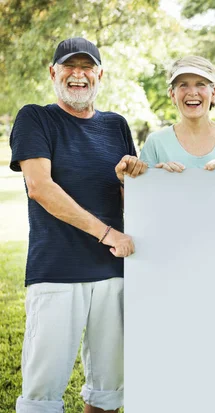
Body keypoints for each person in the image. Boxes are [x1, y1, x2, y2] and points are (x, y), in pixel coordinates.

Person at [9, 37, 146, 413]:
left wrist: (124, 181)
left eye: (87, 68)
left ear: (100, 75)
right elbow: (40, 187)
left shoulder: (116, 125)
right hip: (56, 271)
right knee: (42, 395)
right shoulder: (35, 117)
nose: (79, 75)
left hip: (112, 271)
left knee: (108, 390)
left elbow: (131, 200)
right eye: (70, 66)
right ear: (53, 72)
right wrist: (106, 233)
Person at [140, 56, 215, 172]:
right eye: (183, 85)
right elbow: (143, 190)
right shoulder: (155, 143)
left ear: (213, 93)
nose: (192, 93)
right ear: (172, 95)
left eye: (200, 84)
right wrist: (158, 177)